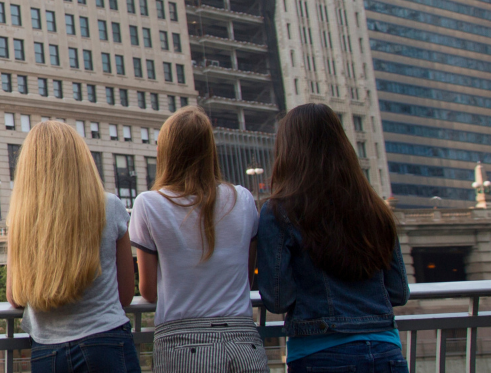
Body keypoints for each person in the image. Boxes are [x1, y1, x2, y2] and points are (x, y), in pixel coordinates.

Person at [255, 103, 409, 372]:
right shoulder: (374, 207)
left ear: (288, 150)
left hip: (321, 352)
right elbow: (397, 292)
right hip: (386, 352)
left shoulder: (279, 210)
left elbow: (278, 299)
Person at [130, 107, 265, 372]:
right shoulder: (243, 199)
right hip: (244, 341)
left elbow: (147, 291)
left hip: (182, 344)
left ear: (165, 153)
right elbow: (246, 279)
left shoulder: (148, 204)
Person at [6, 121, 140, 373]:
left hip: (47, 351)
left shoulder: (20, 218)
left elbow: (14, 297)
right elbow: (126, 295)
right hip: (107, 344)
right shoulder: (110, 206)